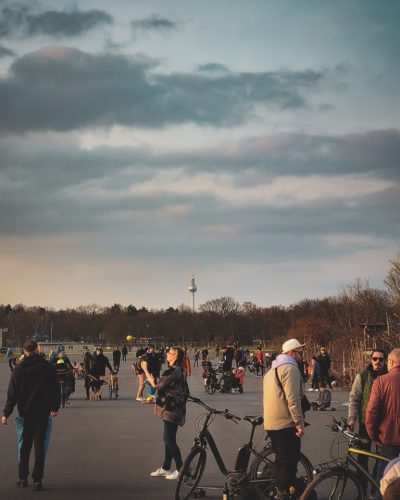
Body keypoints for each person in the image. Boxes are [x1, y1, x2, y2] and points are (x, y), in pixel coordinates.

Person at [2, 340, 60, 490]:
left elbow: (12, 393)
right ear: (37, 349)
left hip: (25, 413)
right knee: (40, 446)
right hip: (42, 412)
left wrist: (6, 413)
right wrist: (55, 407)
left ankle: (22, 477)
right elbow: (55, 388)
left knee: (24, 446)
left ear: (24, 351)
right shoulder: (48, 367)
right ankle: (37, 479)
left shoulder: (19, 369)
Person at [263, 338, 306, 500]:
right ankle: (282, 493)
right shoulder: (290, 369)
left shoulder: (272, 370)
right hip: (285, 423)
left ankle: (283, 490)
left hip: (271, 422)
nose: (302, 356)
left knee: (281, 460)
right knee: (288, 461)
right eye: (300, 353)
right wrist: (299, 424)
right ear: (291, 353)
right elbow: (293, 400)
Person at [348, 349, 388, 496]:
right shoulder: (362, 376)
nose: (377, 362)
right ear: (371, 360)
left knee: (381, 458)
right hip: (365, 423)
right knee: (362, 457)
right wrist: (352, 418)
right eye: (375, 359)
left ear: (385, 361)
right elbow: (354, 398)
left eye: (381, 359)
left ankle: (375, 488)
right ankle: (361, 487)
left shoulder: (389, 377)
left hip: (382, 425)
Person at [149, 346, 188, 480]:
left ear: (176, 357)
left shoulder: (174, 371)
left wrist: (145, 371)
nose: (168, 354)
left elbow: (158, 385)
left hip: (172, 409)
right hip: (174, 408)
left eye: (171, 353)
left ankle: (181, 469)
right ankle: (166, 468)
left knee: (169, 440)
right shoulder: (179, 370)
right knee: (168, 439)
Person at [366, 349, 400, 488]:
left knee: (385, 481)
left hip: (389, 438)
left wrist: (374, 436)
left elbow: (371, 411)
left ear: (390, 362)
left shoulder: (381, 381)